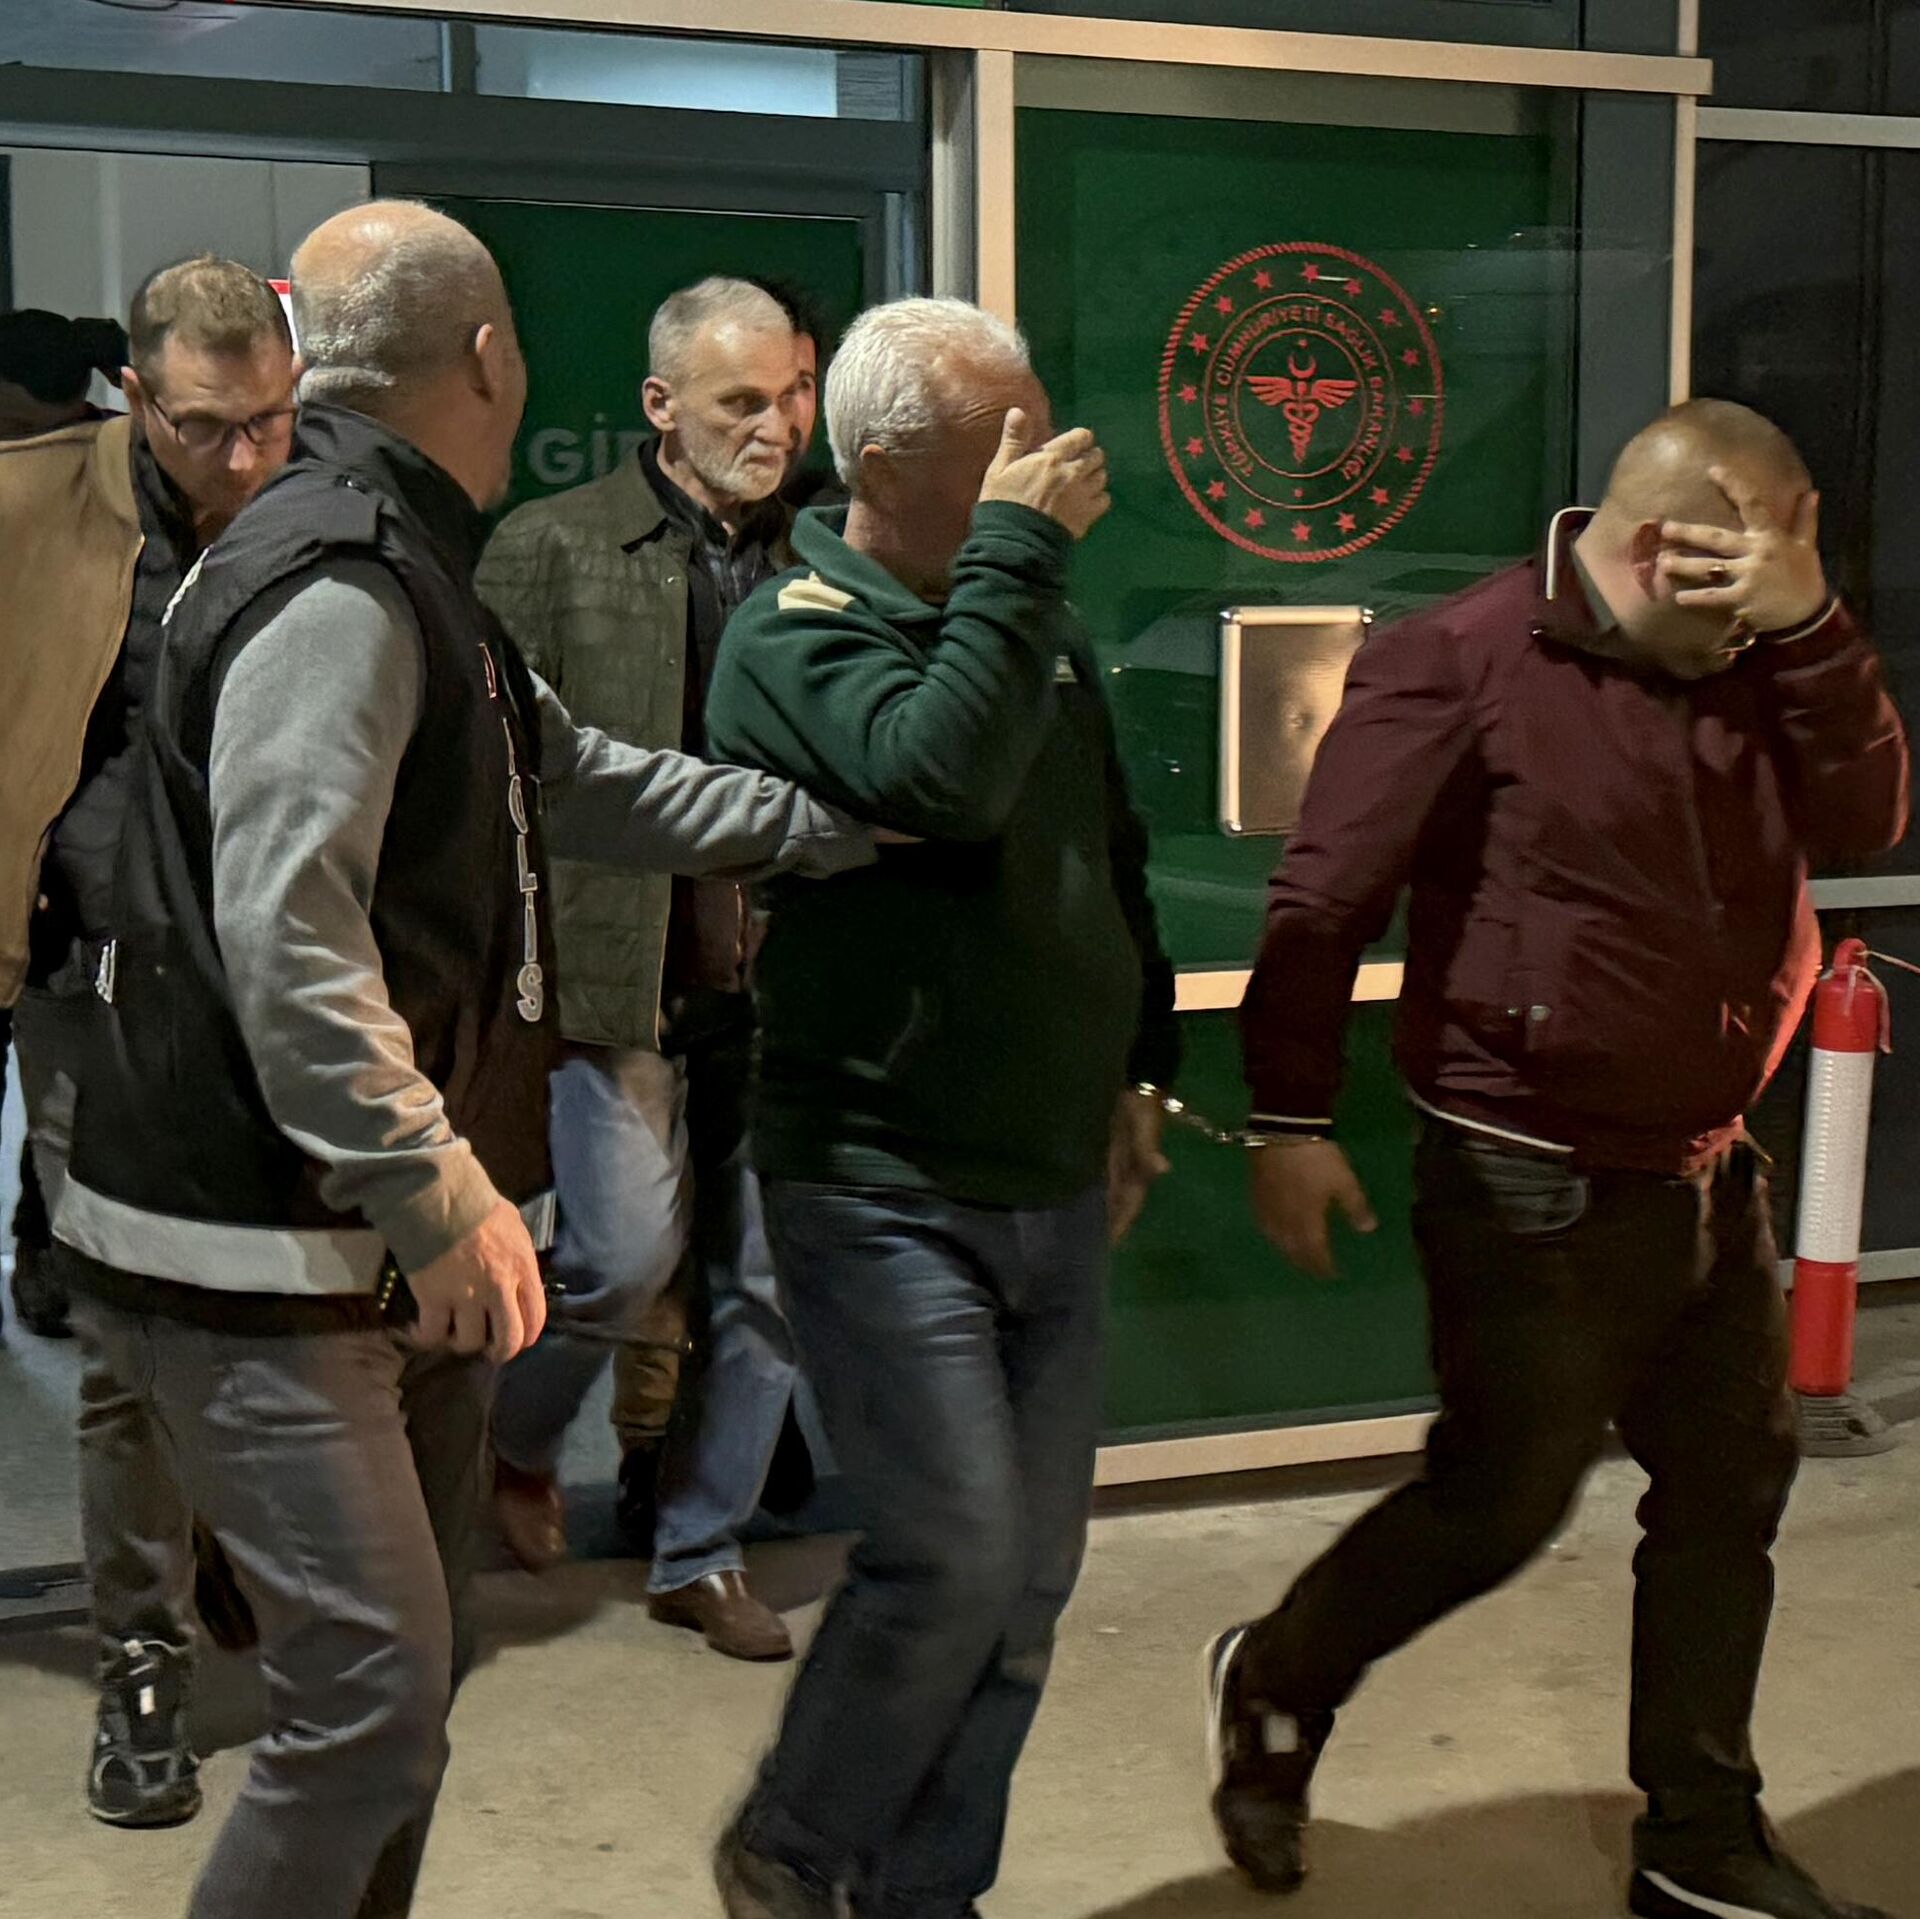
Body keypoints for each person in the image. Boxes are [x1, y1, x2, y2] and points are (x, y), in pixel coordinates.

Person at [51, 201, 876, 1919]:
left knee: (403, 1694)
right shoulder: (343, 578)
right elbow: (288, 932)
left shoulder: (406, 568)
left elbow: (573, 775)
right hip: (263, 1244)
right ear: (491, 358)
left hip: (327, 1241)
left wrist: (827, 825)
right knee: (363, 1707)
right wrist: (436, 1193)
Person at [1214, 401, 1908, 1919]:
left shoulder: (1758, 654)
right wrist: (1289, 1118)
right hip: (1527, 1169)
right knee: (1502, 1497)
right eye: (1750, 584)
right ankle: (1277, 1674)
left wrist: (1814, 635)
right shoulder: (1461, 660)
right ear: (1664, 549)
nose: (1759, 619)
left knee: (1730, 1485)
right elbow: (1323, 899)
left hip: (1709, 1162)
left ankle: (1699, 1839)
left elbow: (1867, 815)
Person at [704, 295, 1179, 1919]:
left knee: (1029, 1584)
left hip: (1050, 1170)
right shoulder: (794, 636)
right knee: (953, 1556)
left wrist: (1144, 1066)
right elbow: (944, 779)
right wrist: (1018, 563)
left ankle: (927, 1894)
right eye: (1010, 443)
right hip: (880, 1179)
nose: (1050, 465)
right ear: (890, 462)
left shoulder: (1027, 619)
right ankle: (795, 1838)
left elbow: (1106, 858)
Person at [477, 276, 816, 1661]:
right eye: (743, 401)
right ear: (662, 406)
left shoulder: (827, 553)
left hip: (783, 979)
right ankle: (507, 1438)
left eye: (795, 394)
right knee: (618, 1261)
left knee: (765, 1286)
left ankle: (700, 1551)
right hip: (614, 974)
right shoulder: (550, 546)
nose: (776, 426)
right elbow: (491, 782)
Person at [0, 259, 295, 1826]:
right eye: (203, 425)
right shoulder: (35, 508)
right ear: (133, 391)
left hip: (274, 986)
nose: (241, 456)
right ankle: (141, 1653)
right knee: (123, 1332)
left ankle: (227, 1542)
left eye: (270, 420)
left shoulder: (322, 510)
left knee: (263, 1319)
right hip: (84, 978)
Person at [0, 307, 129, 1343]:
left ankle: (47, 1245)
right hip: (88, 846)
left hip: (54, 843)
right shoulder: (137, 478)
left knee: (63, 1084)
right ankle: (44, 1244)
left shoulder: (43, 486)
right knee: (69, 1091)